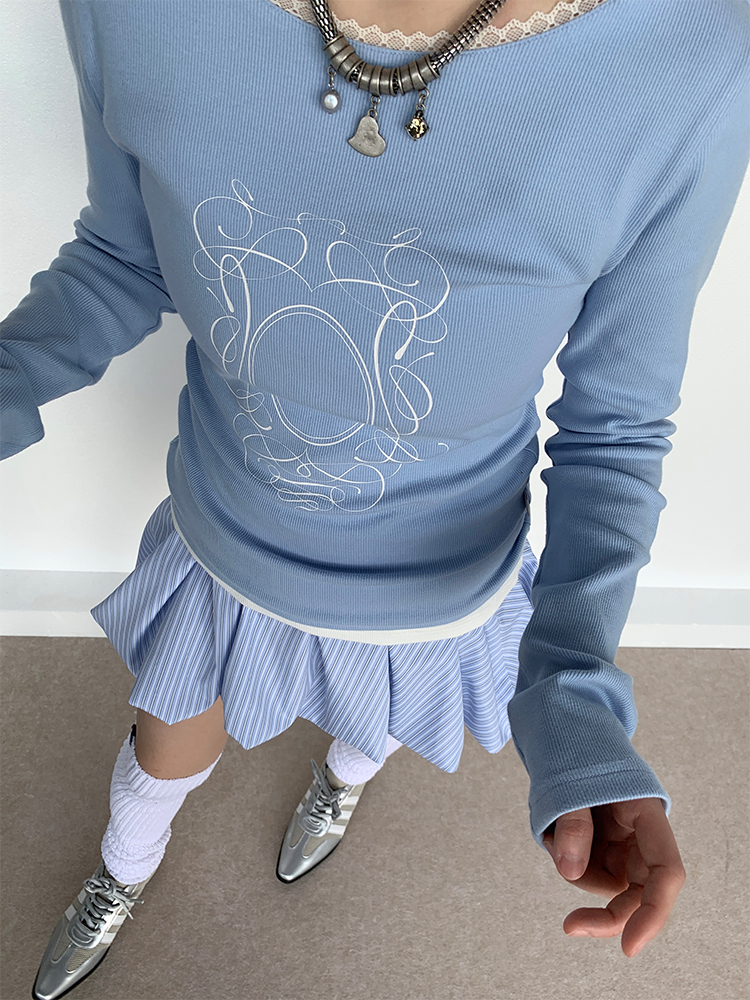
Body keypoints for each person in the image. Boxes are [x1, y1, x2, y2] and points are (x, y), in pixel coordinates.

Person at [1, 0, 748, 997]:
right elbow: (121, 256)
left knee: (371, 730)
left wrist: (576, 698)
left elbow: (615, 425)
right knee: (162, 747)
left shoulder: (695, 57)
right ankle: (121, 872)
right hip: (227, 543)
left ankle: (339, 787)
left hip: (441, 589)